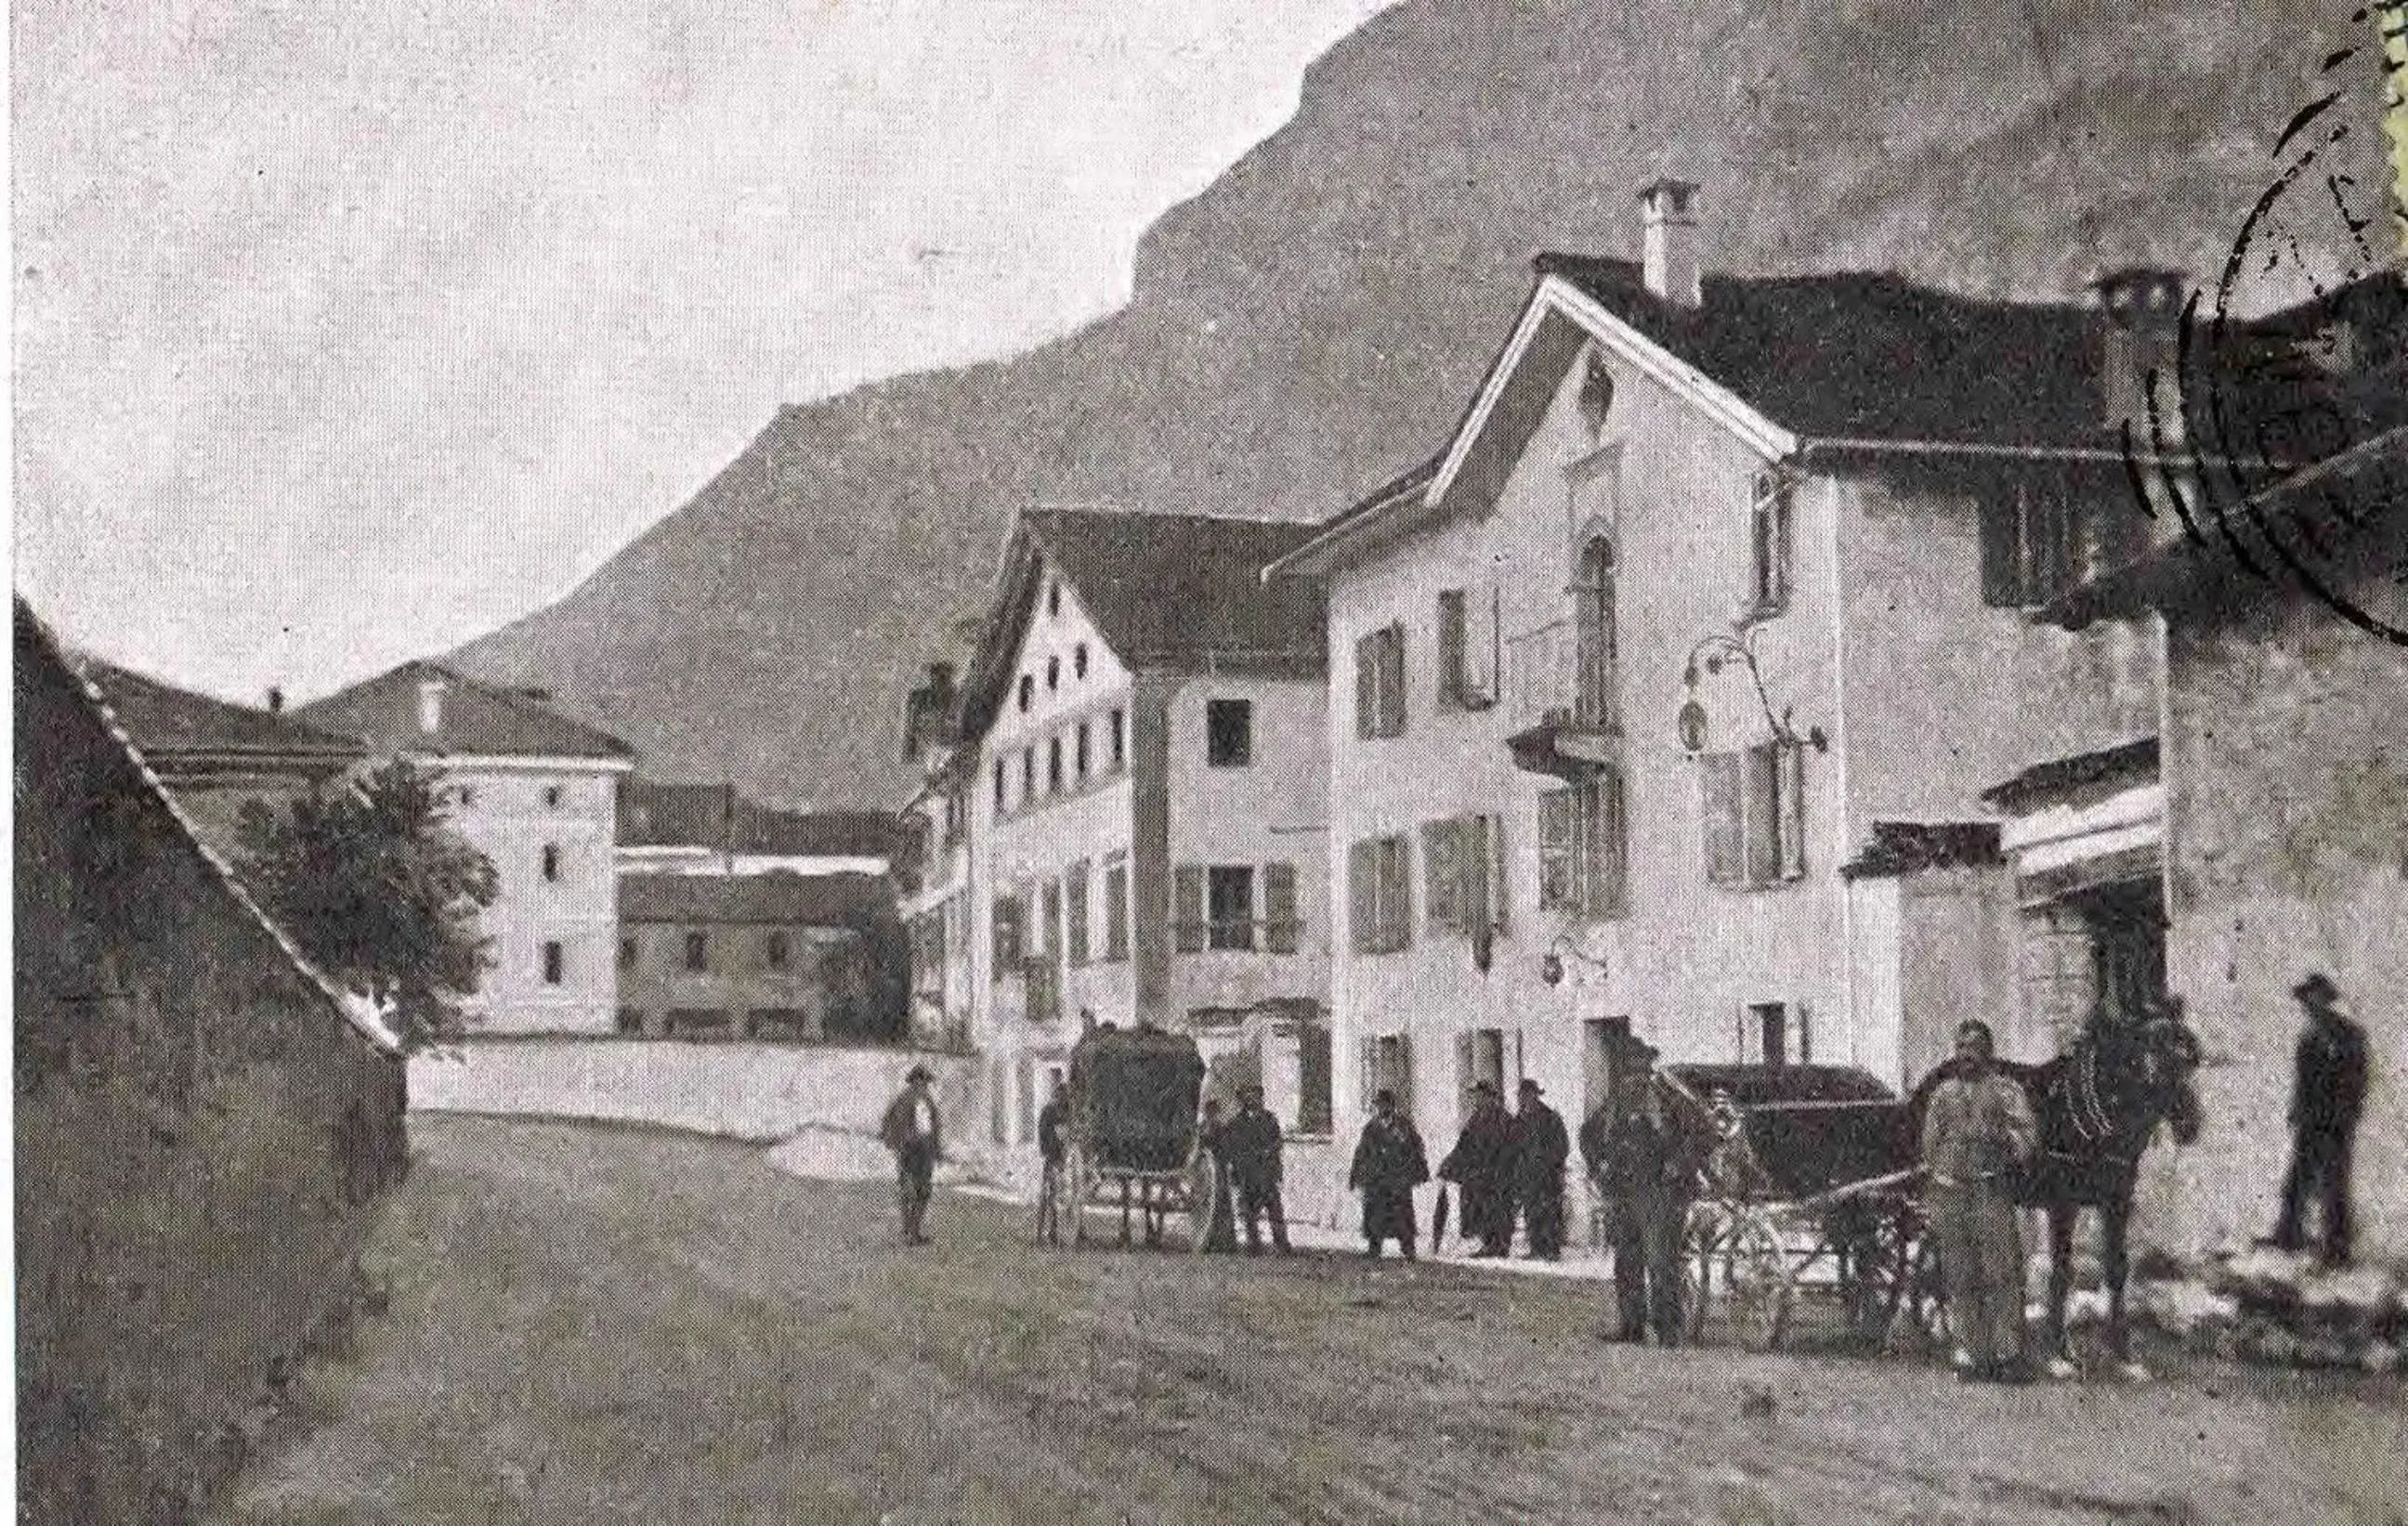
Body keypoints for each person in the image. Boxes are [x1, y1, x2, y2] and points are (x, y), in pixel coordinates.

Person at [1920, 1018, 2039, 1382]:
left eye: (1974, 1049)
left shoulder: (2006, 1092)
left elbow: (2027, 1134)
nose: (1966, 1056)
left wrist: (2007, 1143)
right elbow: (1930, 1143)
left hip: (1990, 1192)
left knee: (2002, 1273)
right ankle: (1970, 1355)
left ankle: (2006, 1354)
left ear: (1988, 1053)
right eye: (1961, 1049)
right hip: (1952, 1194)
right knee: (1959, 1275)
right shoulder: (1943, 1095)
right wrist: (1939, 1176)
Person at [1581, 1045, 1685, 1343]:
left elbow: (1695, 1137)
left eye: (1642, 1068)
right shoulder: (1615, 1104)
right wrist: (1597, 1163)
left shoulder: (1667, 1102)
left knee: (1660, 1262)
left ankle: (1668, 1329)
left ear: (1650, 1069)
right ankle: (1631, 1326)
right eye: (1631, 1068)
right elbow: (1587, 1134)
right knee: (1626, 1261)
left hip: (1657, 1193)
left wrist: (1678, 1163)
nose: (1636, 1075)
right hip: (1622, 1192)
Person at [2270, 973, 2371, 1267]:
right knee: (2298, 1178)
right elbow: (2302, 1081)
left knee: (2334, 1184)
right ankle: (2289, 1234)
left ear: (2325, 999)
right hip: (2310, 1120)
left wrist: (2348, 1113)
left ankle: (2337, 1248)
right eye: (2305, 1001)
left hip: (2337, 1122)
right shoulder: (2308, 1038)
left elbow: (2358, 1080)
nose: (2307, 1007)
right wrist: (2296, 1110)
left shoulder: (2350, 1035)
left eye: (2312, 999)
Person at [1439, 1080, 1518, 1257]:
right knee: (1479, 1208)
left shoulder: (1503, 1118)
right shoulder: (1476, 1118)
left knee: (1499, 1209)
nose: (1477, 1100)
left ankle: (1501, 1245)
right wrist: (1449, 1162)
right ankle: (1488, 1243)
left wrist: (1501, 1167)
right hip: (1478, 1174)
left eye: (1481, 1096)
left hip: (1498, 1173)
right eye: (1476, 1096)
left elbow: (1511, 1146)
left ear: (1491, 1097)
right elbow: (1463, 1144)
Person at [1349, 1088, 1430, 1260]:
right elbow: (1362, 1152)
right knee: (1374, 1213)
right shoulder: (1371, 1127)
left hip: (1397, 1179)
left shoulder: (1403, 1125)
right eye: (1378, 1105)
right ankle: (1374, 1247)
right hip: (1376, 1179)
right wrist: (1355, 1175)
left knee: (1402, 1214)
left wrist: (1416, 1172)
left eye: (1383, 1104)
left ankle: (1408, 1249)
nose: (1380, 1108)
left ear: (1391, 1106)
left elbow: (1416, 1148)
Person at [1222, 1083, 1293, 1255]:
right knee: (1249, 1210)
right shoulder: (1236, 1124)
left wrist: (1273, 1158)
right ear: (1242, 1100)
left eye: (1254, 1095)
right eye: (1247, 1096)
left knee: (1274, 1208)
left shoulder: (1270, 1119)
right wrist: (1237, 1170)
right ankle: (1254, 1244)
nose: (1251, 1099)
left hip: (1266, 1172)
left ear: (1260, 1098)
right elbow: (1231, 1149)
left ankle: (1282, 1244)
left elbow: (1278, 1142)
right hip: (1247, 1173)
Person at [879, 1063, 943, 1246]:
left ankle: (914, 1231)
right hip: (910, 1151)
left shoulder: (928, 1102)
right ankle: (909, 1232)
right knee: (910, 1191)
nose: (924, 1086)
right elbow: (888, 1124)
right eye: (922, 1081)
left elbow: (934, 1128)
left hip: (925, 1151)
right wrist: (897, 1141)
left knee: (923, 1191)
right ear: (914, 1081)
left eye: (926, 1083)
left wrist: (936, 1150)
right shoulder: (903, 1100)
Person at [1512, 1077, 1571, 1260]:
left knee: (1550, 1211)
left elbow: (1562, 1145)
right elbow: (1513, 1145)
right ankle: (1536, 1247)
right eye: (1521, 1096)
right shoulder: (1520, 1120)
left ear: (1535, 1096)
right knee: (1532, 1210)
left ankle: (1551, 1249)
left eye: (1527, 1095)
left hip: (1548, 1174)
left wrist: (1552, 1163)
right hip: (1527, 1174)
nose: (1523, 1099)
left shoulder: (1550, 1117)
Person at [1196, 1098, 1239, 1252]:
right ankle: (1209, 1240)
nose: (1211, 1115)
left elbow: (1226, 1147)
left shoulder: (1220, 1128)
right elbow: (1198, 1146)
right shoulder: (1201, 1127)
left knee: (1221, 1203)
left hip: (1218, 1166)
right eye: (1209, 1112)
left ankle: (1224, 1242)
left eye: (1213, 1112)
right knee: (1209, 1203)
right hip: (1204, 1170)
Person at [1035, 1075, 1069, 1246]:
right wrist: (1049, 1152)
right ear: (1056, 1095)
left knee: (1058, 1197)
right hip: (1052, 1158)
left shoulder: (1068, 1112)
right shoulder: (1049, 1111)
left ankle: (1054, 1230)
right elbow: (1042, 1133)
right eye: (1060, 1095)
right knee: (1048, 1196)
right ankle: (1042, 1232)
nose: (1062, 1099)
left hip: (1064, 1159)